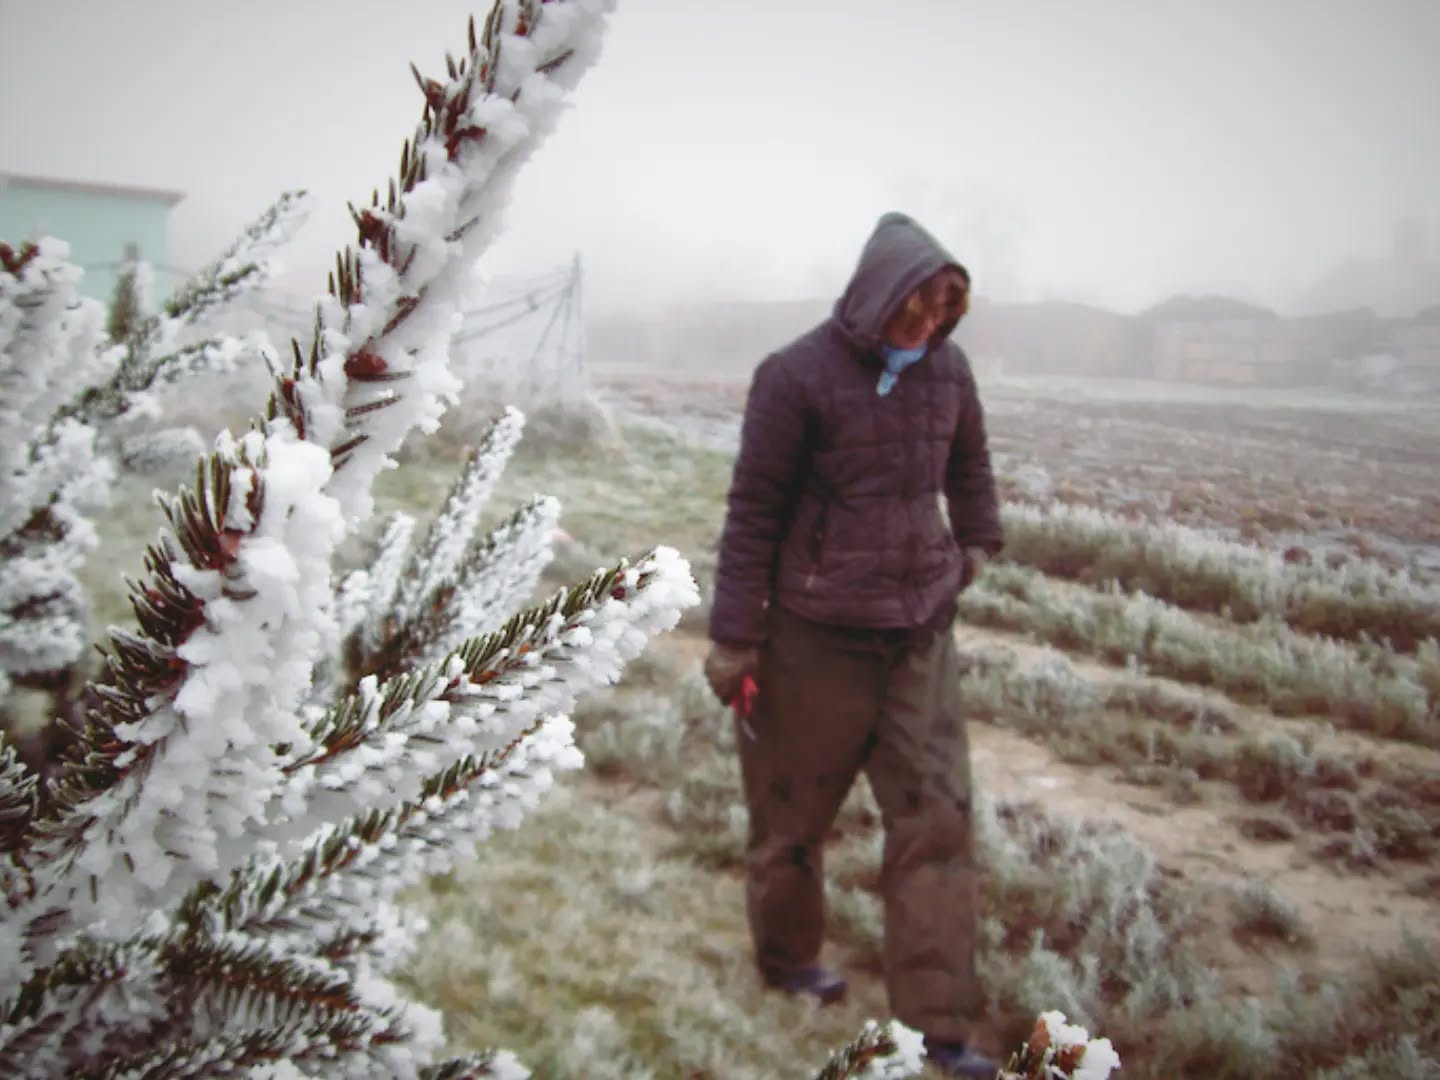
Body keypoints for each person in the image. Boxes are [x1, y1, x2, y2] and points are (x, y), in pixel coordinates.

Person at [704, 212, 1002, 1078]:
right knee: (792, 815)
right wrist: (734, 638)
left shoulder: (949, 372)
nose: (926, 329)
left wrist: (976, 547)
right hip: (812, 639)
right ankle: (789, 959)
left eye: (943, 313)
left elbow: (971, 470)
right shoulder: (794, 376)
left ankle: (939, 1026)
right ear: (876, 295)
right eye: (914, 310)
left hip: (918, 638)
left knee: (937, 820)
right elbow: (753, 510)